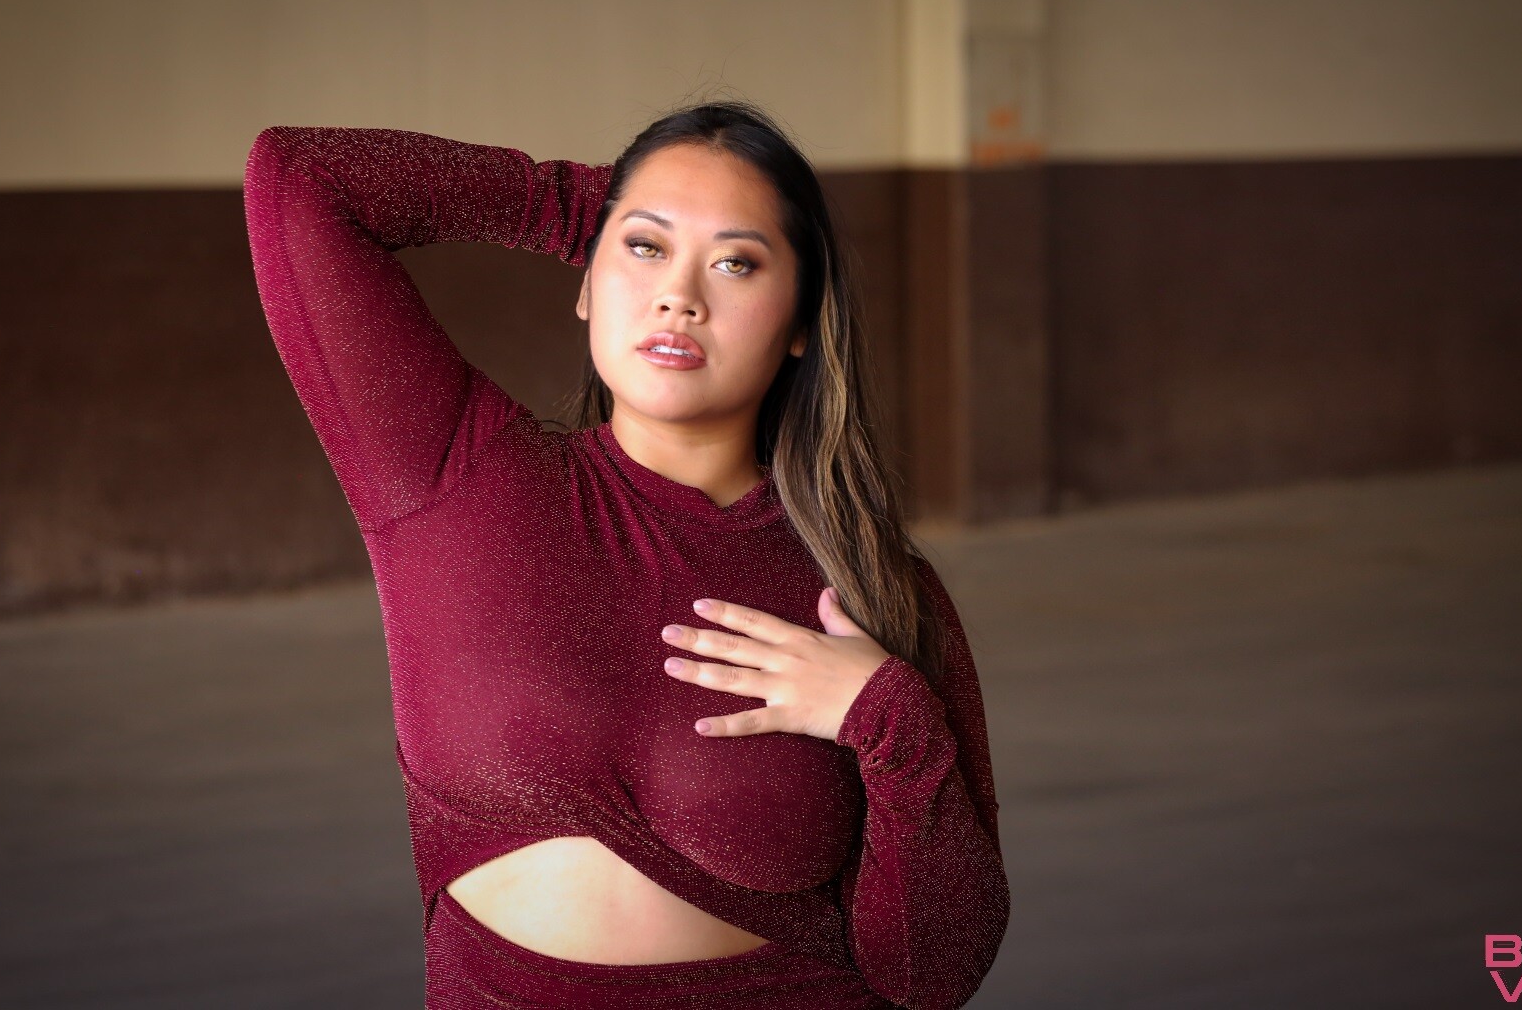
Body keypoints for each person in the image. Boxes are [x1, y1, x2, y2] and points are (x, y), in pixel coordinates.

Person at [242, 99, 1009, 1009]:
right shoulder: (454, 477)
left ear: (803, 320)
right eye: (645, 248)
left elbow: (934, 975)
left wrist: (886, 718)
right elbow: (300, 179)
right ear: (586, 278)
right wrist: (581, 206)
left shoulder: (871, 586)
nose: (680, 296)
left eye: (735, 262)